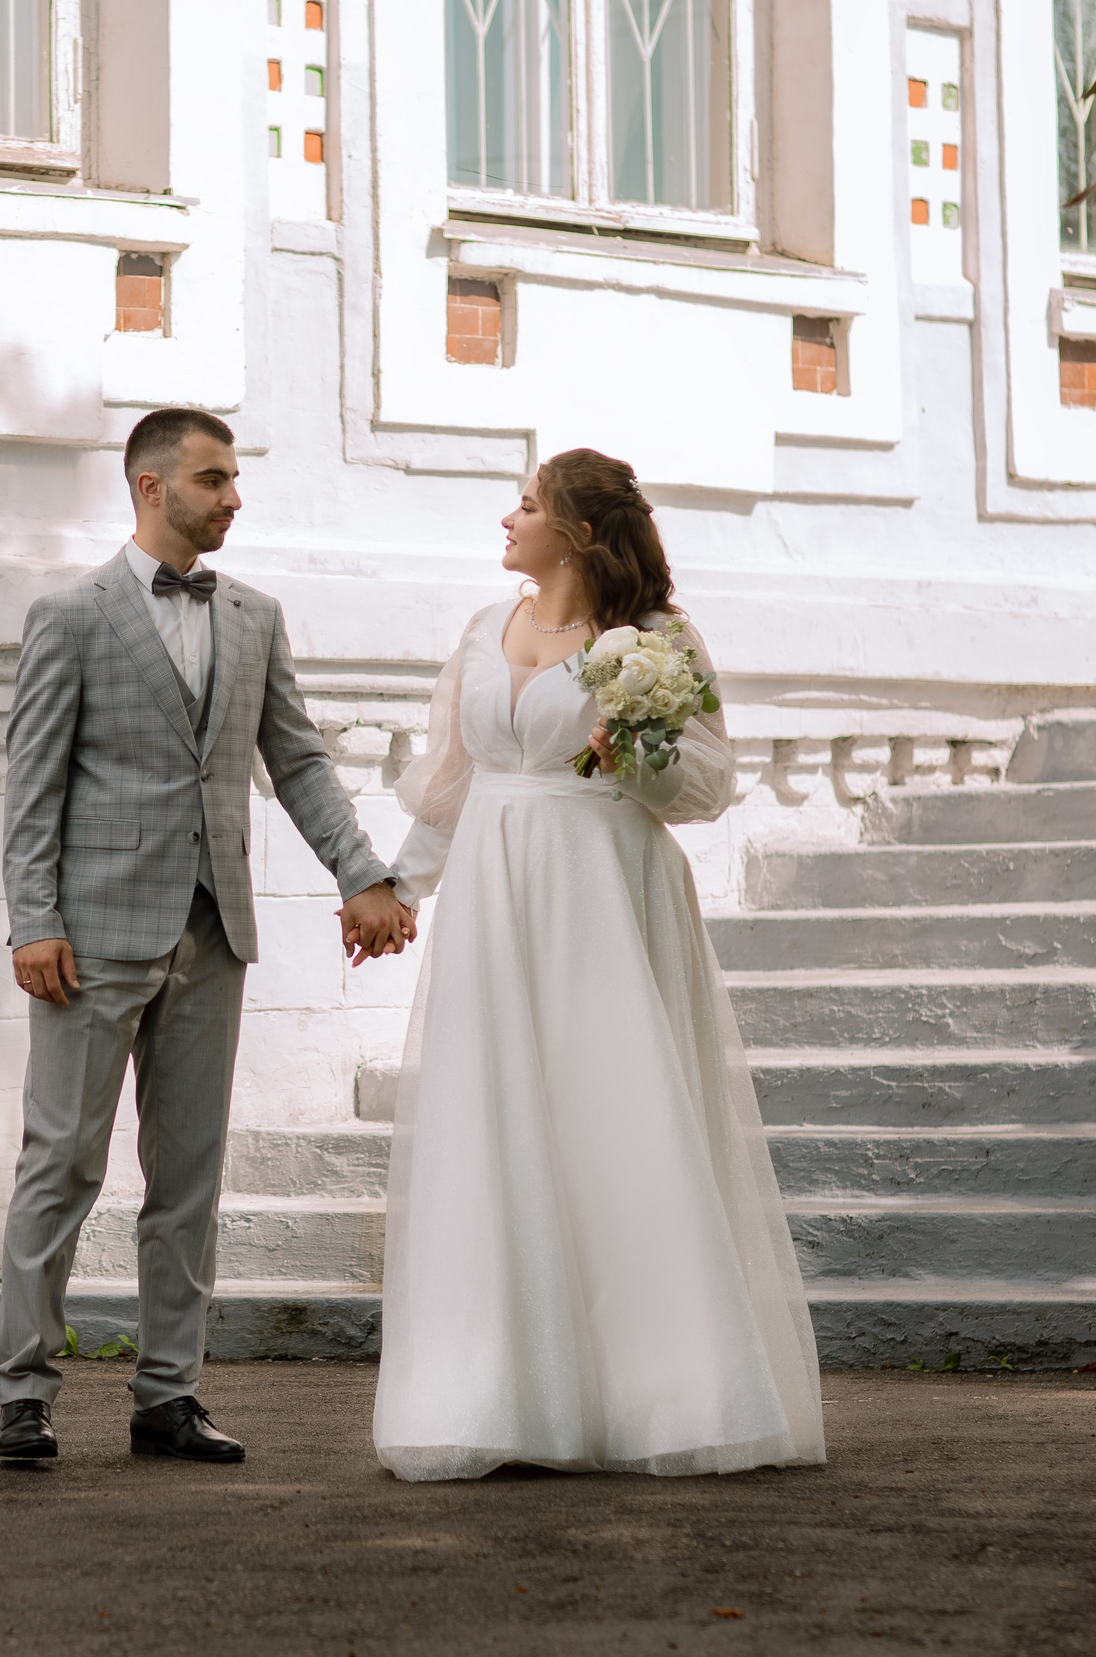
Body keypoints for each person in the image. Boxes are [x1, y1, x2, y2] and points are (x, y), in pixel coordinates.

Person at [371, 448, 826, 1482]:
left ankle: (664, 1391)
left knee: (616, 1122)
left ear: (575, 531)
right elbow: (454, 785)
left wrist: (641, 751)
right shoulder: (480, 633)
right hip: (494, 894)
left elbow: (704, 786)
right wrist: (399, 890)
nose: (507, 519)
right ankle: (500, 1395)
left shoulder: (658, 642)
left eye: (527, 506)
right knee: (497, 1126)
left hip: (604, 894)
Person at [0, 407, 416, 1464]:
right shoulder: (72, 615)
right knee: (63, 1164)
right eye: (214, 479)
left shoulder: (255, 618)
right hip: (87, 941)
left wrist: (361, 871)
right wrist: (32, 922)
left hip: (212, 932)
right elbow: (32, 787)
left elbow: (300, 762)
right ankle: (23, 1395)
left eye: (233, 481)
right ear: (150, 487)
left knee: (189, 1178)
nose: (233, 499)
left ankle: (167, 1395)